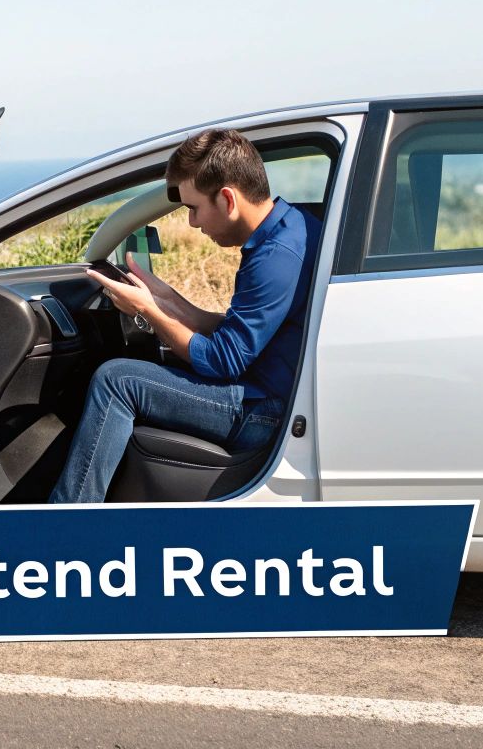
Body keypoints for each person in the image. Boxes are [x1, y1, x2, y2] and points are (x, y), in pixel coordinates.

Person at [48, 127, 323, 503]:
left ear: (227, 199)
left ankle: (66, 524)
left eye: (194, 208)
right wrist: (169, 302)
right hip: (265, 388)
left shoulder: (275, 260)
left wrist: (148, 311)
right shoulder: (289, 228)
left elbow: (223, 361)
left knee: (117, 379)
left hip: (262, 410)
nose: (193, 222)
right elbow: (241, 335)